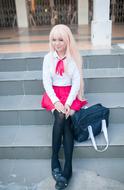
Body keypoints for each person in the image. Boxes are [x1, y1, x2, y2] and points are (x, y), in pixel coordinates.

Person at [41, 24, 87, 190]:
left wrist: (67, 103)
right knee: (60, 116)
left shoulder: (73, 58)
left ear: (67, 40)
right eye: (54, 39)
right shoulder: (48, 58)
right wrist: (56, 102)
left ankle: (67, 166)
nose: (57, 43)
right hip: (54, 95)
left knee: (66, 118)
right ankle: (55, 158)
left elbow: (76, 83)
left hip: (69, 95)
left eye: (61, 39)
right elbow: (47, 82)